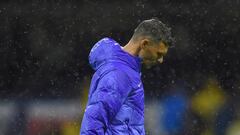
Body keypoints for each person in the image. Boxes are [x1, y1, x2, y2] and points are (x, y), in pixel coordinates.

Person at [80, 18, 174, 135]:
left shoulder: (126, 71)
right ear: (144, 44)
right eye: (159, 54)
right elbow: (94, 122)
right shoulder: (121, 74)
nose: (160, 60)